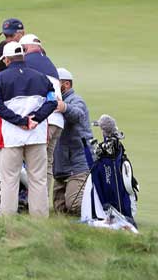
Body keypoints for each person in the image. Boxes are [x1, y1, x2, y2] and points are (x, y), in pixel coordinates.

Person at [0, 41, 57, 217]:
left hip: (11, 138)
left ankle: (8, 222)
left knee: (9, 180)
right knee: (38, 180)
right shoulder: (41, 77)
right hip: (37, 135)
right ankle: (40, 222)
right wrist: (36, 118)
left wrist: (20, 121)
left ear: (6, 60)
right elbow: (52, 101)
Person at [20, 33, 64, 197]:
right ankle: (42, 202)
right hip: (57, 121)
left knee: (33, 163)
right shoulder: (49, 63)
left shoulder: (27, 62)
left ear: (25, 48)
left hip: (44, 120)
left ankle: (35, 203)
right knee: (46, 164)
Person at [53, 68, 92, 215]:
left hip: (78, 164)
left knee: (75, 205)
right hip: (62, 165)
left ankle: (102, 210)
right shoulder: (54, 101)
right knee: (60, 211)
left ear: (67, 84)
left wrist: (64, 107)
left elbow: (77, 114)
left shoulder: (76, 100)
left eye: (56, 83)